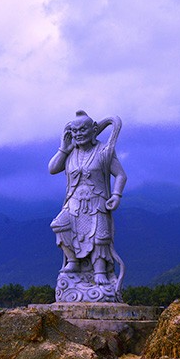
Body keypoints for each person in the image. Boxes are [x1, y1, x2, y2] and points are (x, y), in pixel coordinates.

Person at [49, 111, 127, 292]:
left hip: (97, 201)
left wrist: (116, 195)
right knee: (59, 225)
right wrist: (64, 147)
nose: (78, 134)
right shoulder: (70, 153)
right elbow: (52, 169)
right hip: (74, 202)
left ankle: (100, 271)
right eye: (74, 131)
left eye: (83, 129)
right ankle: (73, 261)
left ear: (93, 130)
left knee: (100, 236)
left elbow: (121, 175)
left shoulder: (103, 151)